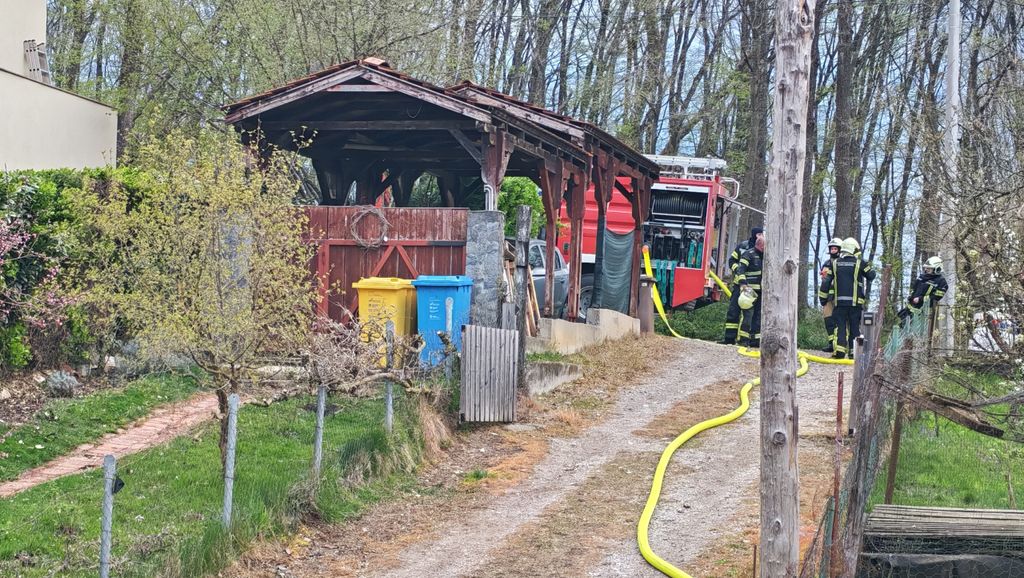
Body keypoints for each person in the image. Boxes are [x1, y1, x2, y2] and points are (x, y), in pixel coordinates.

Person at [819, 238, 875, 359]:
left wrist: (822, 298)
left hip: (839, 303)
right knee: (854, 327)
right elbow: (871, 275)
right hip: (855, 304)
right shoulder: (860, 263)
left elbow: (826, 282)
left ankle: (839, 352)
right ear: (854, 249)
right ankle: (853, 353)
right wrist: (866, 266)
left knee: (840, 327)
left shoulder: (834, 263)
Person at [722, 227, 764, 344]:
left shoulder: (763, 250)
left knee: (753, 315)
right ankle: (729, 338)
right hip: (739, 285)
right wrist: (739, 271)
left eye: (762, 233)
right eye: (759, 233)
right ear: (755, 235)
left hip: (755, 288)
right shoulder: (743, 246)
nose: (760, 235)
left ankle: (752, 341)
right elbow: (731, 261)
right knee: (733, 311)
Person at [898, 256, 948, 323]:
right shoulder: (922, 277)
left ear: (937, 269)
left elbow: (935, 298)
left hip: (924, 315)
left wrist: (920, 299)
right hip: (909, 312)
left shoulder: (941, 282)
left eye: (929, 268)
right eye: (926, 268)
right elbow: (914, 290)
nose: (926, 269)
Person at [736, 236, 765, 347]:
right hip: (749, 291)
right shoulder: (748, 254)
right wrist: (743, 284)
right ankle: (743, 339)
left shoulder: (765, 256)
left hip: (761, 291)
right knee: (747, 316)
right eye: (764, 246)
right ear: (760, 245)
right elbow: (740, 270)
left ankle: (755, 340)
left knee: (758, 316)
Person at [820, 237, 843, 352]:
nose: (833, 250)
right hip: (829, 298)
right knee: (828, 319)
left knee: (840, 321)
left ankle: (840, 345)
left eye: (835, 248)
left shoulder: (843, 263)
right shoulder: (826, 264)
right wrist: (822, 298)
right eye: (832, 248)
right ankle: (831, 343)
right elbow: (824, 282)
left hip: (840, 298)